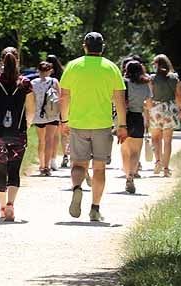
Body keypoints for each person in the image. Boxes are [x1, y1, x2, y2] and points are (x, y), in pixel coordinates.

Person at [59, 32, 127, 223]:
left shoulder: (73, 66)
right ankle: (95, 209)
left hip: (78, 123)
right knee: (99, 169)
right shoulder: (111, 68)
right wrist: (122, 125)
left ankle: (77, 188)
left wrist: (64, 121)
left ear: (84, 46)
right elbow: (119, 99)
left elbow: (64, 97)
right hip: (102, 125)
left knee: (78, 164)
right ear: (102, 47)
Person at [0, 47, 34, 221]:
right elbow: (31, 110)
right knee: (14, 170)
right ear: (17, 60)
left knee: (1, 170)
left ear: (1, 61)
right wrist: (26, 125)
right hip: (19, 132)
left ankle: (2, 207)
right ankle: (12, 204)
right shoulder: (25, 83)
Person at [149, 54, 181, 177]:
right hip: (170, 109)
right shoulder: (175, 78)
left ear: (158, 65)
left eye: (154, 63)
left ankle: (158, 161)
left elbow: (150, 95)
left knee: (155, 138)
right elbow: (179, 95)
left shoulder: (152, 78)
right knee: (167, 141)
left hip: (156, 109)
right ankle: (166, 168)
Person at [122, 60, 152, 194]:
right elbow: (149, 105)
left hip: (124, 118)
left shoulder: (124, 82)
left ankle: (127, 174)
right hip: (138, 117)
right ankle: (130, 177)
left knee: (125, 151)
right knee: (135, 152)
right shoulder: (145, 85)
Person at [31, 60, 61, 176]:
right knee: (50, 140)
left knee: (41, 141)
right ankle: (47, 167)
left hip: (39, 116)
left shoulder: (33, 83)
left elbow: (31, 100)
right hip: (52, 114)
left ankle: (41, 165)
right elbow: (59, 97)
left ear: (38, 70)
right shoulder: (54, 81)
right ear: (50, 71)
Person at [47, 54, 68, 169]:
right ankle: (65, 154)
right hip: (61, 106)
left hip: (48, 109)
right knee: (63, 133)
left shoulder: (46, 78)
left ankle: (49, 159)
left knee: (51, 135)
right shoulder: (62, 75)